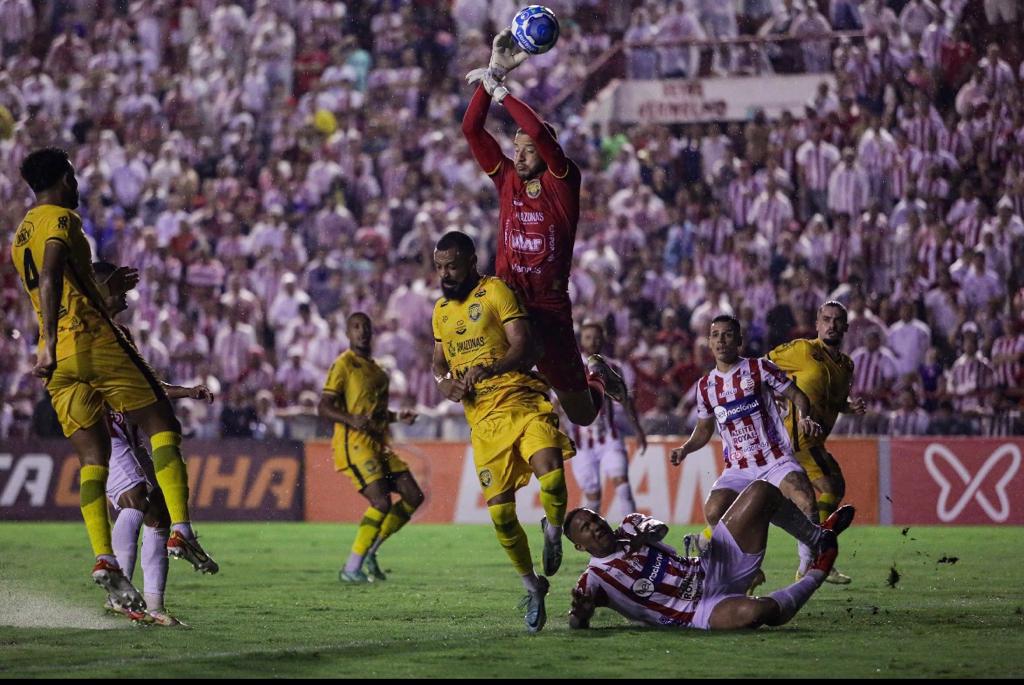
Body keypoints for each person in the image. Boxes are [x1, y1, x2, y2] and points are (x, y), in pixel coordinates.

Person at [10, 148, 213, 612]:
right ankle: (180, 528)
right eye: (74, 176)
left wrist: (94, 298)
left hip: (62, 364)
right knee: (163, 424)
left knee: (92, 458)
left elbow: (59, 283)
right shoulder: (61, 218)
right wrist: (45, 340)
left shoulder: (19, 234)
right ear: (64, 178)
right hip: (89, 341)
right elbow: (55, 270)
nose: (77, 183)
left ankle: (105, 558)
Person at [461, 30, 625, 428]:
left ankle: (598, 375)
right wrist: (493, 74)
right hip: (507, 302)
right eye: (515, 148)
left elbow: (537, 131)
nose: (518, 153)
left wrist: (502, 94)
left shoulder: (563, 182)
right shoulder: (505, 178)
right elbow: (471, 129)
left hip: (549, 309)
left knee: (583, 414)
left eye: (527, 149)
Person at [430, 231, 575, 633]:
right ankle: (533, 586)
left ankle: (554, 528)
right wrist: (445, 383)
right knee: (501, 513)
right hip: (483, 421)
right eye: (440, 267)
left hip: (521, 400)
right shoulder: (441, 311)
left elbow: (525, 347)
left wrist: (490, 368)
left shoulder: (496, 292)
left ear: (472, 261)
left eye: (452, 266)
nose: (445, 274)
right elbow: (438, 363)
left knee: (552, 473)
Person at [93, 260, 217, 625]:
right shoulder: (85, 334)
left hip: (129, 435)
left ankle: (155, 607)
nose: (126, 294)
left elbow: (149, 386)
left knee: (159, 511)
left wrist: (187, 391)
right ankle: (119, 596)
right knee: (135, 496)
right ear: (100, 289)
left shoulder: (123, 335)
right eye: (118, 287)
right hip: (105, 434)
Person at [565, 481, 855, 630]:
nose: (595, 527)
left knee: (762, 491)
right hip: (698, 611)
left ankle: (818, 538)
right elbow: (577, 621)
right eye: (585, 529)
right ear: (579, 546)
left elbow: (658, 528)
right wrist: (581, 614)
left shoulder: (629, 525)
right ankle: (819, 570)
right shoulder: (593, 579)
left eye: (595, 519)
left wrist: (644, 534)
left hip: (710, 567)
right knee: (758, 613)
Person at [669, 315, 825, 582]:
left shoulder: (759, 368)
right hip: (739, 468)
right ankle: (746, 570)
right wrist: (685, 448)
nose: (721, 340)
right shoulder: (705, 387)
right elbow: (705, 429)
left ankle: (808, 564)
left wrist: (803, 418)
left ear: (739, 340)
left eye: (728, 334)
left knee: (805, 499)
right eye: (715, 334)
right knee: (714, 511)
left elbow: (798, 396)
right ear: (708, 342)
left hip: (774, 458)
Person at [318, 312, 424, 583]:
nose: (361, 332)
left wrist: (399, 416)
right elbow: (325, 406)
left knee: (414, 496)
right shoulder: (343, 364)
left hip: (378, 444)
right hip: (353, 444)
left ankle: (370, 553)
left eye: (365, 327)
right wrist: (351, 419)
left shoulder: (378, 371)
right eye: (355, 327)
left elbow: (374, 413)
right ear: (348, 333)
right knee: (381, 501)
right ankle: (351, 568)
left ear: (372, 332)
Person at [766, 300, 867, 584]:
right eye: (826, 319)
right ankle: (816, 557)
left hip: (815, 439)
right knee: (831, 487)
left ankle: (812, 557)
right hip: (796, 437)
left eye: (837, 320)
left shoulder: (847, 365)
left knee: (818, 496)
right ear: (817, 324)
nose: (832, 324)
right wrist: (774, 392)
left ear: (845, 326)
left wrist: (849, 408)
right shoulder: (803, 349)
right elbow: (763, 365)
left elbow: (831, 401)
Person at [569, 321, 647, 519]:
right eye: (588, 337)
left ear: (603, 339)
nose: (593, 341)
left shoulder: (613, 367)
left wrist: (638, 430)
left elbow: (624, 399)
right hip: (581, 441)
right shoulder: (572, 366)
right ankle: (594, 545)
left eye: (597, 337)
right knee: (593, 496)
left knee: (622, 484)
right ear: (581, 340)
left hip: (609, 436)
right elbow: (558, 404)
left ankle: (633, 533)